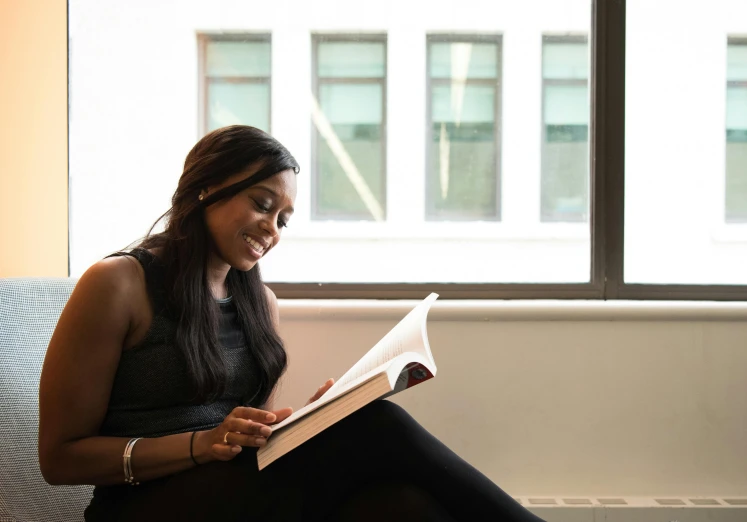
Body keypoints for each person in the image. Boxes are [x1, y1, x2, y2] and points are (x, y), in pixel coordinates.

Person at [38, 125, 545, 522]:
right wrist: (200, 444)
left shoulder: (260, 303)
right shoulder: (118, 283)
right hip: (143, 508)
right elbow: (59, 459)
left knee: (399, 508)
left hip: (231, 494)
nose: (272, 229)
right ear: (206, 188)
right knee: (377, 427)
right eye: (262, 204)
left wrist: (304, 424)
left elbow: (244, 440)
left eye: (283, 219)